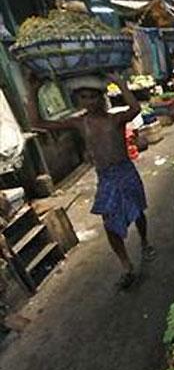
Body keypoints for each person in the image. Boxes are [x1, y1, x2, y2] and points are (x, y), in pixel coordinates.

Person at [27, 73, 156, 289]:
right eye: (84, 97)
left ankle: (144, 242)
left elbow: (135, 109)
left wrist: (121, 83)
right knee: (109, 224)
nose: (89, 101)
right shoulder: (80, 123)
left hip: (125, 171)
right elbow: (37, 122)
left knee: (137, 213)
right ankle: (126, 265)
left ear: (102, 97)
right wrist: (34, 91)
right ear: (79, 101)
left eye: (93, 96)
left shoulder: (115, 119)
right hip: (106, 178)